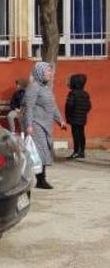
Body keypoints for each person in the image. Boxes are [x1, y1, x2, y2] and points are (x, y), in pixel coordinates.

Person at [24, 61, 66, 190]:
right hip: (36, 124)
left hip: (46, 125)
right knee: (40, 152)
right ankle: (41, 180)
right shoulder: (33, 87)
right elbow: (29, 107)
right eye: (48, 71)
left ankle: (38, 179)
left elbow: (52, 106)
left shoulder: (46, 88)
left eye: (50, 71)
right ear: (40, 72)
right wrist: (29, 125)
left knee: (44, 151)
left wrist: (60, 121)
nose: (50, 74)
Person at [65, 74, 91, 159]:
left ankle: (76, 151)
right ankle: (82, 151)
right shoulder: (85, 94)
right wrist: (83, 112)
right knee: (82, 134)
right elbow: (88, 106)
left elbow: (69, 105)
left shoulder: (72, 94)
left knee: (75, 135)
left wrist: (69, 113)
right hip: (82, 118)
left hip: (74, 118)